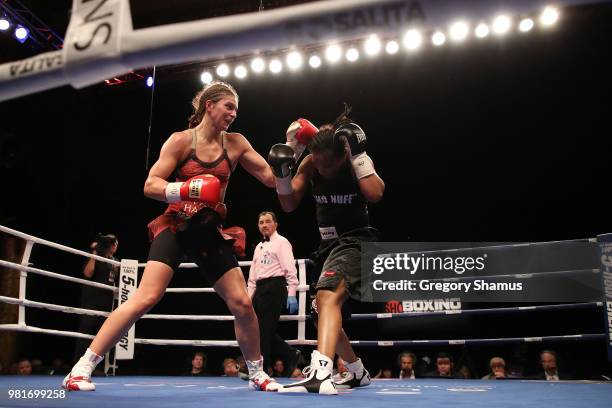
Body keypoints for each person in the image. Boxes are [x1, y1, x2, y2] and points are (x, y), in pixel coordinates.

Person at [63, 81, 280, 392]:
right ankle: (81, 368)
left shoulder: (235, 143)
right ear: (209, 105)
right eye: (228, 106)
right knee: (146, 297)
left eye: (236, 109)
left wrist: (292, 154)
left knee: (242, 304)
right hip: (176, 224)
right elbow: (150, 184)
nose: (234, 113)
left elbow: (272, 179)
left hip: (207, 230)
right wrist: (188, 189)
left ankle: (258, 373)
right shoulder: (181, 141)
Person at [269, 105, 384, 394]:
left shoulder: (353, 160)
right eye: (316, 163)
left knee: (327, 296)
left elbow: (376, 193)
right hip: (328, 246)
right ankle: (357, 372)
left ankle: (322, 371)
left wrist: (360, 157)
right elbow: (288, 203)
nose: (321, 169)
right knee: (323, 309)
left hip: (357, 241)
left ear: (344, 155)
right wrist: (282, 173)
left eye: (327, 165)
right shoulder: (310, 163)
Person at [247, 211, 301, 376]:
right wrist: (248, 299)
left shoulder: (282, 242)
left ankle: (262, 370)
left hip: (275, 287)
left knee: (263, 331)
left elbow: (290, 269)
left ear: (275, 224)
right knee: (258, 330)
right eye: (261, 222)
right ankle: (290, 354)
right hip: (260, 289)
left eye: (268, 221)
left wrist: (292, 292)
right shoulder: (258, 246)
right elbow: (252, 276)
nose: (264, 225)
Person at [74, 234, 119, 364]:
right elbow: (88, 273)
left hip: (106, 302)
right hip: (91, 300)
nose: (113, 245)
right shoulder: (94, 256)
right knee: (85, 331)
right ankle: (78, 364)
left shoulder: (115, 261)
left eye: (114, 242)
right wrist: (94, 252)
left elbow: (116, 279)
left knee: (101, 335)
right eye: (111, 242)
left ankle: (94, 366)